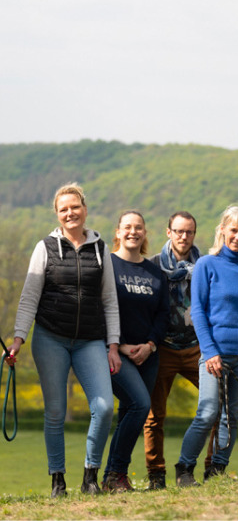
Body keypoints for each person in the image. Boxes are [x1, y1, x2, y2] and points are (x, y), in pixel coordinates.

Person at [7, 183, 121, 497]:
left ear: (84, 209)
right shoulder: (44, 247)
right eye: (63, 209)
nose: (70, 213)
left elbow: (109, 299)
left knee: (105, 407)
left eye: (75, 207)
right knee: (55, 411)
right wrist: (18, 339)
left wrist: (113, 345)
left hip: (90, 340)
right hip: (50, 338)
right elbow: (29, 297)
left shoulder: (101, 249)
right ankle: (58, 480)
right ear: (57, 215)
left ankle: (90, 476)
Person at [175, 205, 238, 486]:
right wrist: (210, 352)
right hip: (215, 353)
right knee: (207, 412)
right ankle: (184, 469)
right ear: (222, 231)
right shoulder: (206, 264)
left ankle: (216, 471)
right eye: (233, 230)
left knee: (232, 417)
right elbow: (198, 312)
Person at [143, 211, 211, 490]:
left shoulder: (206, 265)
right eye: (179, 231)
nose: (184, 237)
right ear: (168, 232)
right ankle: (156, 474)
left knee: (216, 408)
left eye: (189, 232)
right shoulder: (152, 266)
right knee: (154, 415)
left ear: (195, 234)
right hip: (164, 349)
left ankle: (210, 469)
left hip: (198, 348)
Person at [102, 211, 169, 492]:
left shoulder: (155, 273)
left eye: (138, 227)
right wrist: (120, 345)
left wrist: (151, 345)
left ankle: (112, 477)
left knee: (131, 409)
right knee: (141, 405)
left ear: (145, 233)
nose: (133, 231)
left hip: (148, 355)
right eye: (127, 227)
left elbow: (163, 316)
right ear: (117, 232)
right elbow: (100, 309)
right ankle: (116, 472)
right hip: (116, 352)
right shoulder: (107, 266)